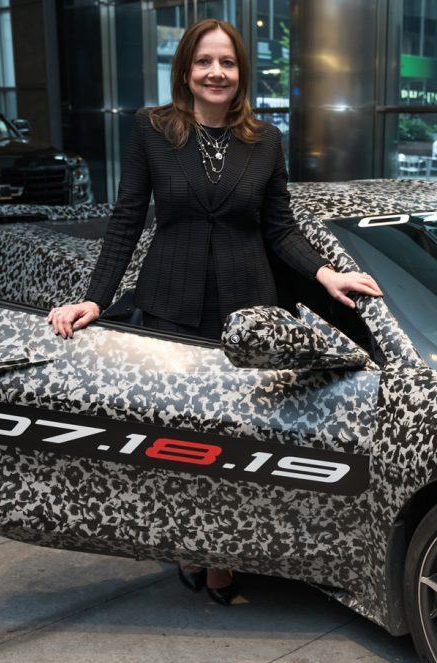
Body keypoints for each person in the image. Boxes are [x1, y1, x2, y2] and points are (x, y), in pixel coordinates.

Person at [47, 19, 382, 604]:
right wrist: (95, 298)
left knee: (239, 445)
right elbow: (127, 219)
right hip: (170, 311)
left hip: (246, 314)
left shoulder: (266, 140)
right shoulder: (152, 130)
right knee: (178, 443)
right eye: (204, 61)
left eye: (227, 63)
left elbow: (279, 227)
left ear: (241, 74)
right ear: (186, 69)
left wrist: (327, 273)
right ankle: (191, 548)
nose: (216, 72)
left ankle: (227, 556)